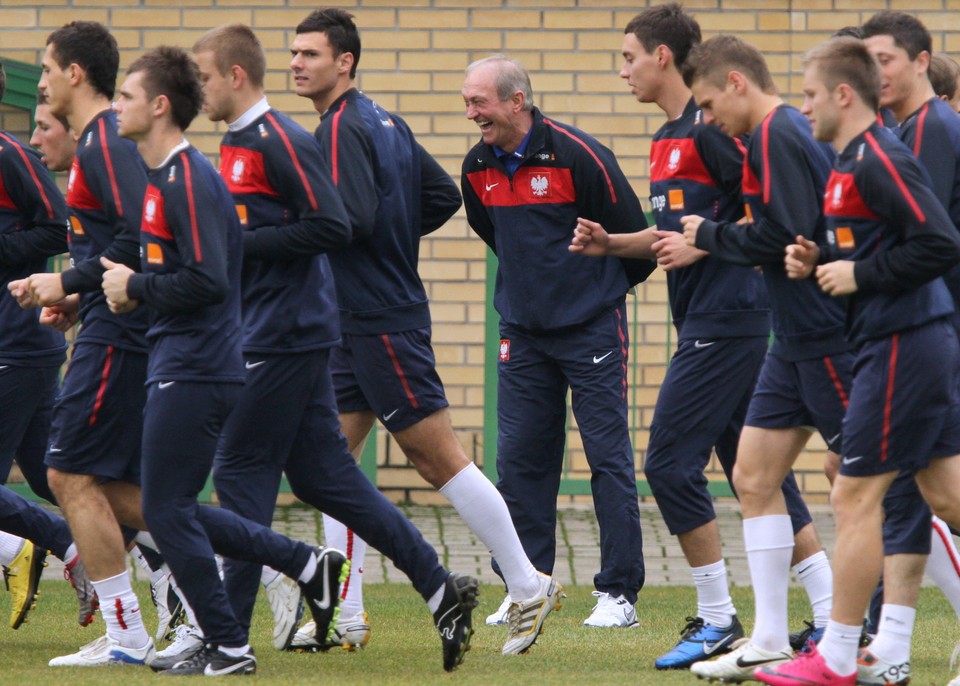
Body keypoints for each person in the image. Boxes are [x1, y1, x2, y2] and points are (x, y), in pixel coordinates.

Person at [190, 23, 479, 673]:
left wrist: (236, 248)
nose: (196, 89)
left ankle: (228, 640)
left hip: (284, 336)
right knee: (330, 481)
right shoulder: (237, 143)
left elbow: (331, 225)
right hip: (287, 332)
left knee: (239, 479)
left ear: (234, 75)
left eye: (203, 76)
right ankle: (439, 587)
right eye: (291, 52)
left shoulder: (284, 139)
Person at [285, 8, 562, 657]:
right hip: (357, 321)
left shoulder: (342, 128)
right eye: (293, 53)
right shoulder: (384, 121)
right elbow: (439, 198)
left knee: (438, 459)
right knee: (328, 466)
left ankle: (527, 583)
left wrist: (298, 244)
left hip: (380, 321)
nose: (297, 63)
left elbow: (345, 223)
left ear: (344, 62)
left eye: (311, 54)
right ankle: (346, 614)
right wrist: (384, 240)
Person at [570, 4, 833, 669]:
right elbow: (677, 236)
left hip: (731, 321)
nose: (622, 69)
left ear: (663, 57)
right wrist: (613, 244)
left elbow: (762, 221)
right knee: (761, 476)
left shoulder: (715, 131)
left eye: (629, 56)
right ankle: (830, 617)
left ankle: (718, 617)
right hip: (706, 322)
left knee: (667, 464)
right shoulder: (665, 136)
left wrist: (709, 249)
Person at [758, 36, 960, 686]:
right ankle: (859, 650)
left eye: (811, 94)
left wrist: (860, 274)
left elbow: (939, 241)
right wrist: (818, 259)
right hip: (893, 342)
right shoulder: (844, 161)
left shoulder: (879, 155)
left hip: (908, 342)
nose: (804, 105)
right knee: (945, 495)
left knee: (854, 492)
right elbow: (860, 242)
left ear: (844, 95)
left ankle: (839, 654)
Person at [676, 35, 855, 682]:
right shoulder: (767, 135)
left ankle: (887, 630)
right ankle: (772, 637)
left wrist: (710, 237)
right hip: (792, 340)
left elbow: (791, 232)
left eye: (707, 103)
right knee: (753, 476)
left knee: (895, 487)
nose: (706, 119)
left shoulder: (779, 133)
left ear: (735, 82)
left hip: (826, 335)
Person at [460, 54, 648, 628]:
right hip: (522, 332)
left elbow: (632, 238)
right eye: (468, 103)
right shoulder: (476, 165)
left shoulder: (578, 153)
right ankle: (527, 585)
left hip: (591, 327)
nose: (472, 114)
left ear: (517, 101)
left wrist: (593, 295)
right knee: (519, 463)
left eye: (480, 102)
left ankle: (619, 594)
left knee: (607, 458)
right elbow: (492, 232)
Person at [852, 13, 960, 685]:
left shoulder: (931, 131)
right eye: (867, 61)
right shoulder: (904, 132)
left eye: (886, 59)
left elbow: (935, 244)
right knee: (917, 490)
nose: (875, 73)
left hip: (934, 332)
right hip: (925, 330)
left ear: (921, 61)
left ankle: (882, 645)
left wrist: (857, 274)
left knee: (913, 489)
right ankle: (888, 646)